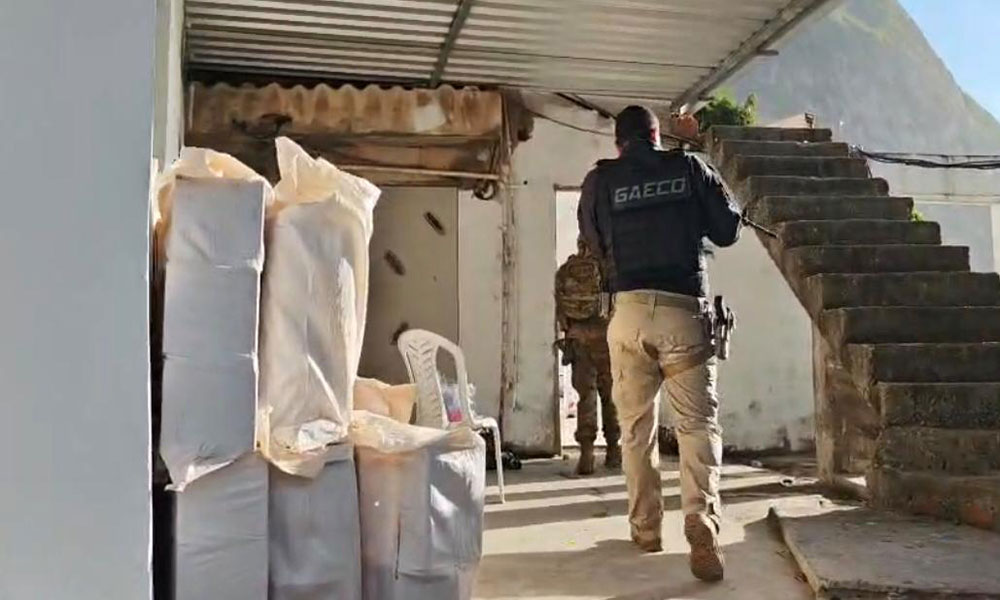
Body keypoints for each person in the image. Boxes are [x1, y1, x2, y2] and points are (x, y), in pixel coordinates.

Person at [577, 106, 741, 582]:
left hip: (627, 313)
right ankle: (701, 516)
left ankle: (646, 529)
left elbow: (593, 242)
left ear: (618, 143)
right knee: (696, 424)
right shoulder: (688, 167)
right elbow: (728, 230)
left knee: (635, 429)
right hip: (683, 309)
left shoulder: (599, 181)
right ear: (656, 135)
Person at [555, 237, 621, 475]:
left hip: (579, 340)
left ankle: (587, 454)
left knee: (586, 396)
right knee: (610, 396)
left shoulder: (565, 271)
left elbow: (561, 314)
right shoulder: (609, 270)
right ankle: (613, 450)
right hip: (607, 339)